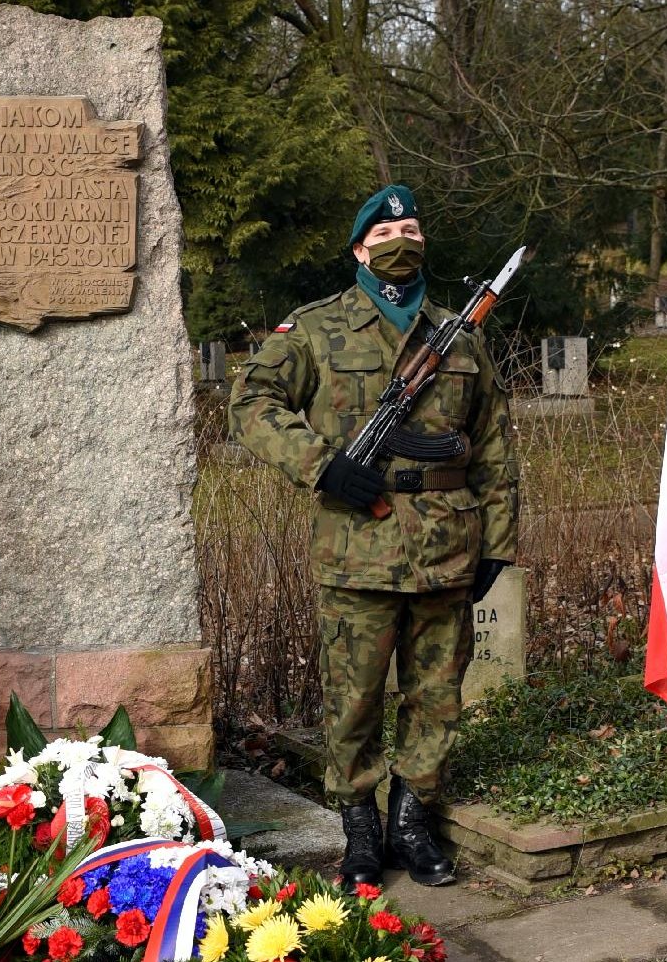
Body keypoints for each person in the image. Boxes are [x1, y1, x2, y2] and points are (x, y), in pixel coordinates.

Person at [228, 185, 519, 888]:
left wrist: (498, 543)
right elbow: (251, 403)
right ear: (359, 250)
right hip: (357, 546)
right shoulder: (317, 328)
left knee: (437, 694)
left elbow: (494, 446)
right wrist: (321, 464)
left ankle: (412, 823)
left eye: (411, 228)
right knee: (352, 698)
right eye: (385, 233)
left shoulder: (460, 335)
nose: (400, 240)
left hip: (447, 546)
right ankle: (359, 828)